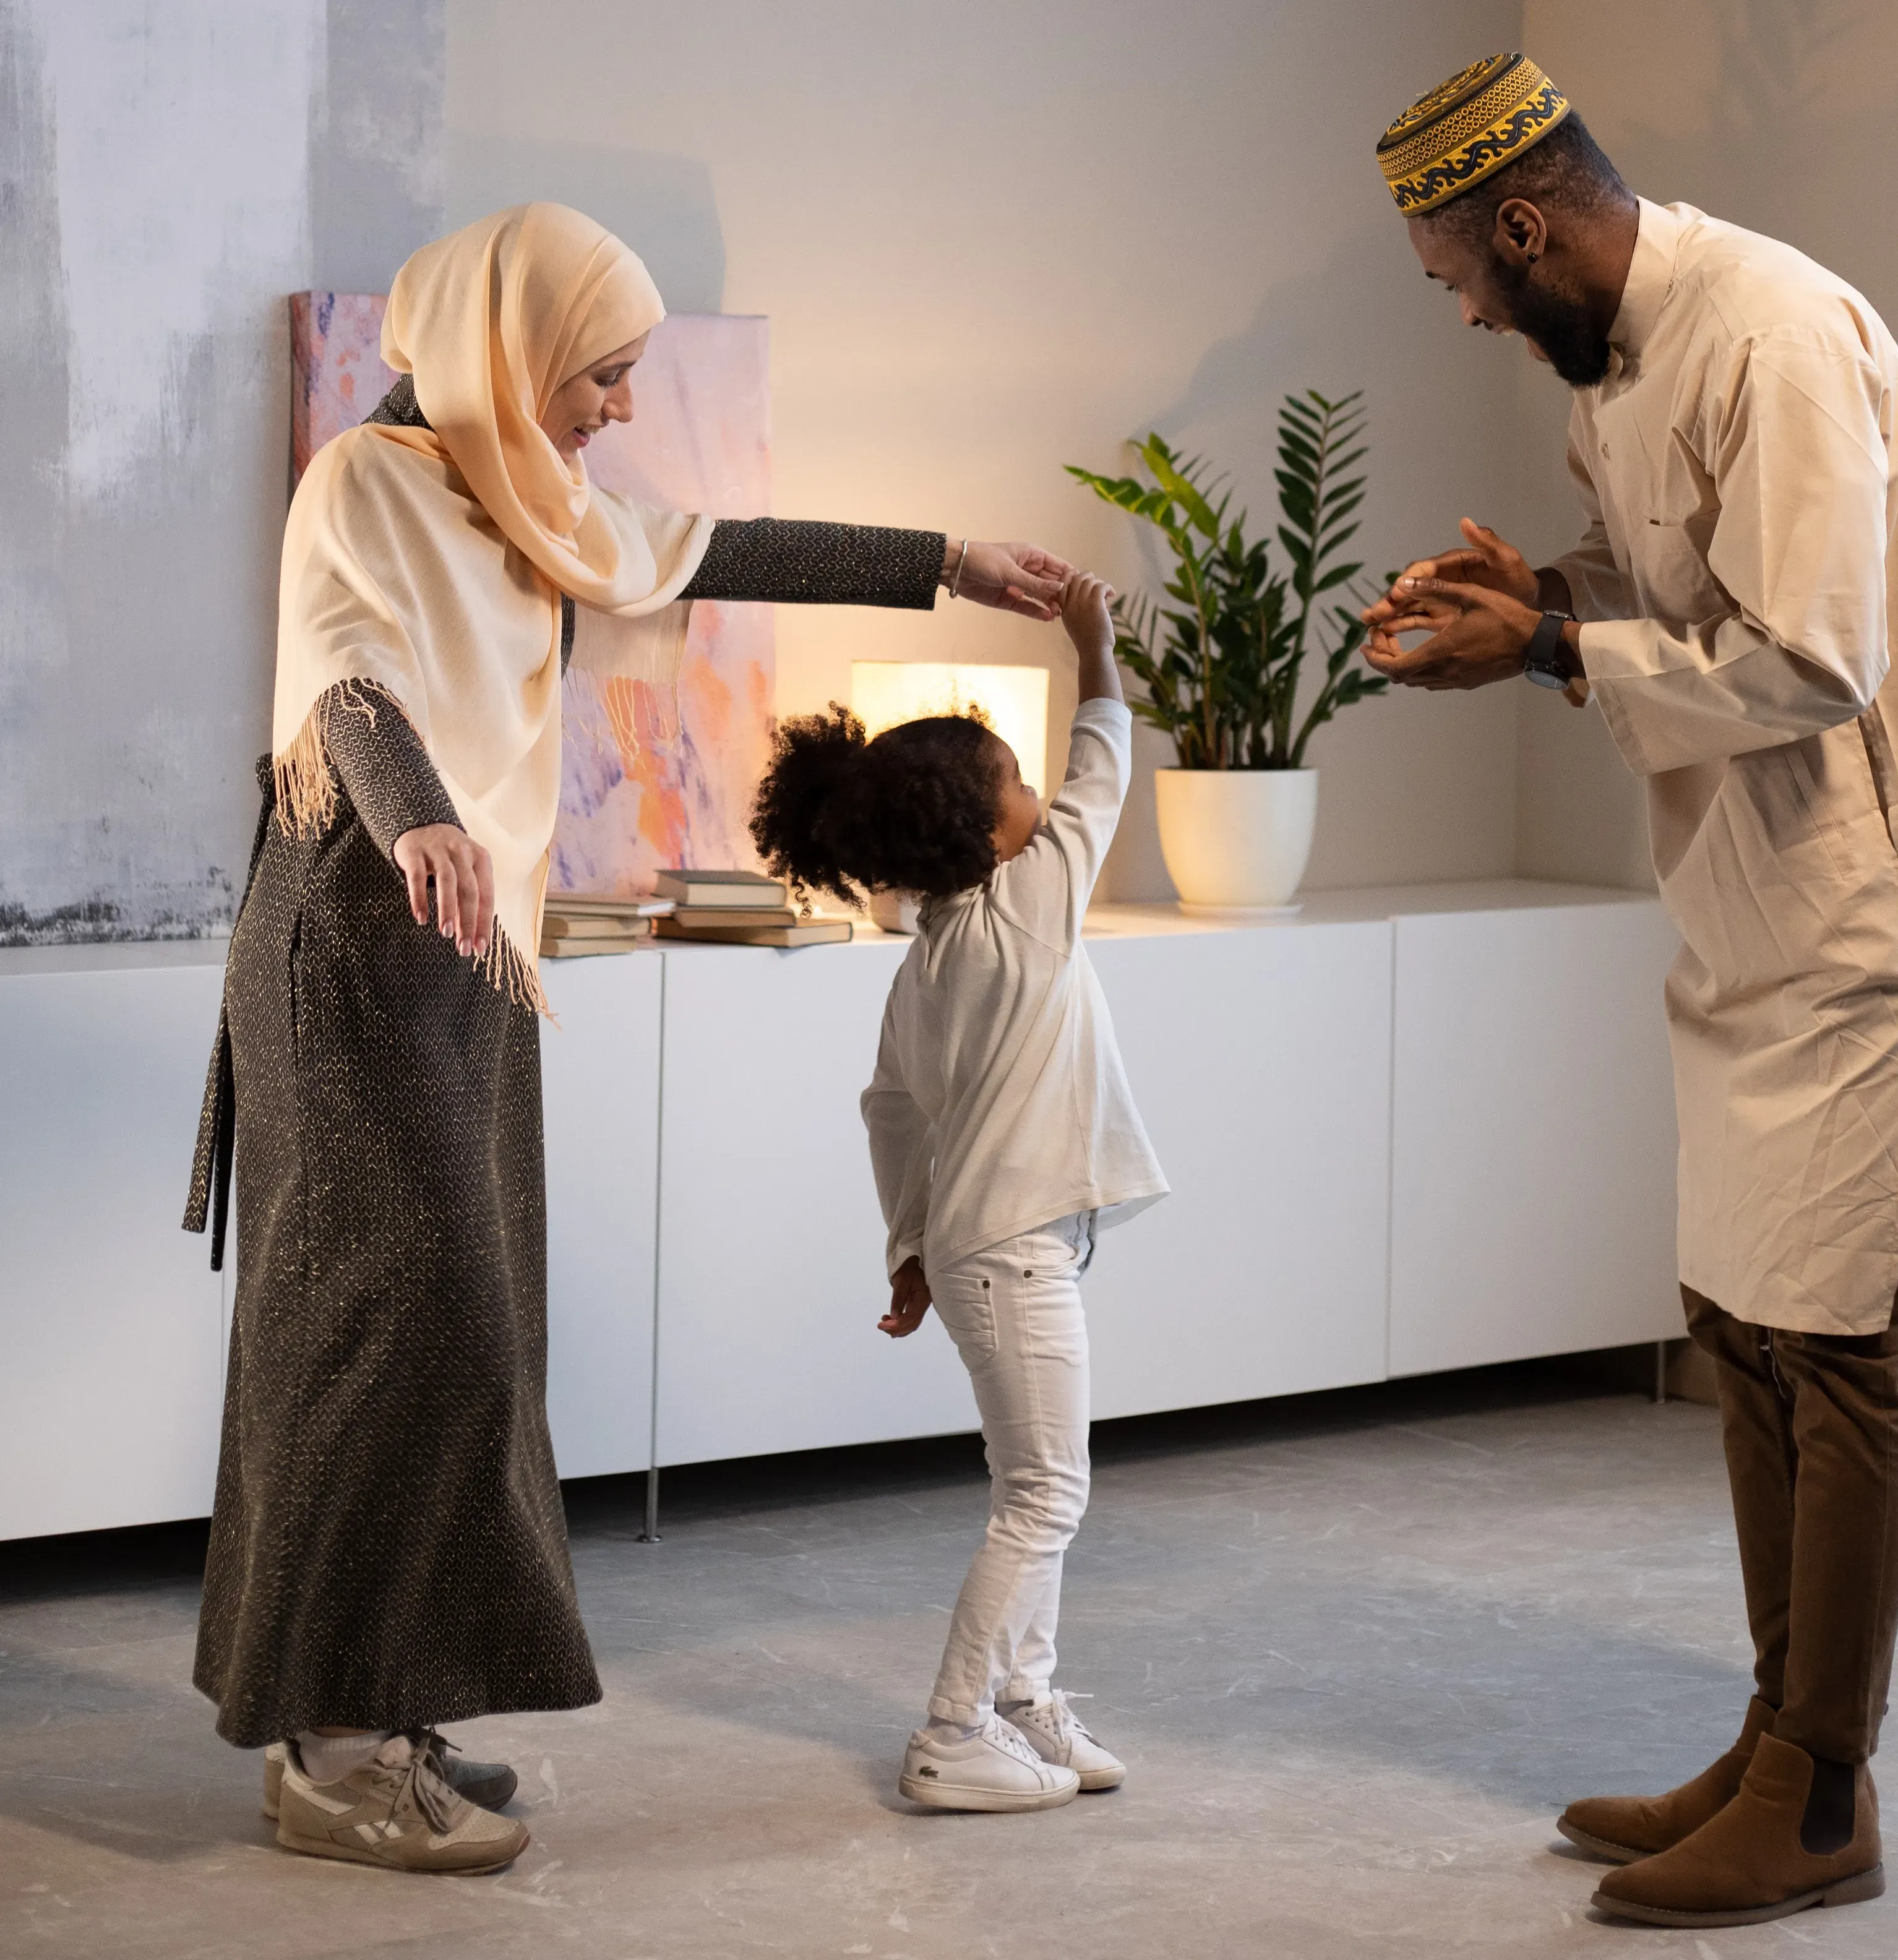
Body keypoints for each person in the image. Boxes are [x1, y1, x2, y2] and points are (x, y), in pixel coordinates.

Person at [181, 201, 1076, 1874]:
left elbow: (704, 545)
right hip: (362, 933)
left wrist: (950, 563)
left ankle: (384, 1702)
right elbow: (351, 680)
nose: (613, 408)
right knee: (377, 1329)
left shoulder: (511, 492)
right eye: (600, 374)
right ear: (512, 350)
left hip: (466, 948)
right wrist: (425, 820)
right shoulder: (365, 486)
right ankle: (327, 1750)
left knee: (472, 1328)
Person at [1358, 56, 1898, 1930]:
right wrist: (1548, 590)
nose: (1465, 312)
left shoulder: (1771, 325)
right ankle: (1774, 1740)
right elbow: (1684, 591)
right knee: (1742, 1311)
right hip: (1770, 893)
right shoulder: (1616, 363)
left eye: (1458, 276)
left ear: (1523, 226)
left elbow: (1820, 652)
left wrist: (1548, 658)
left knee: (1831, 1340)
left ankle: (1824, 1795)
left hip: (1882, 885)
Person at [748, 571, 1168, 1813]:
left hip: (985, 1250)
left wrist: (909, 1247)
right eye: (1017, 787)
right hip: (1020, 1252)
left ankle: (1025, 1701)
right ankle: (949, 1734)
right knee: (1044, 1493)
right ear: (993, 831)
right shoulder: (1032, 904)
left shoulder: (931, 951)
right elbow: (1105, 768)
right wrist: (1093, 645)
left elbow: (890, 1112)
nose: (1042, 802)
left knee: (1034, 1483)